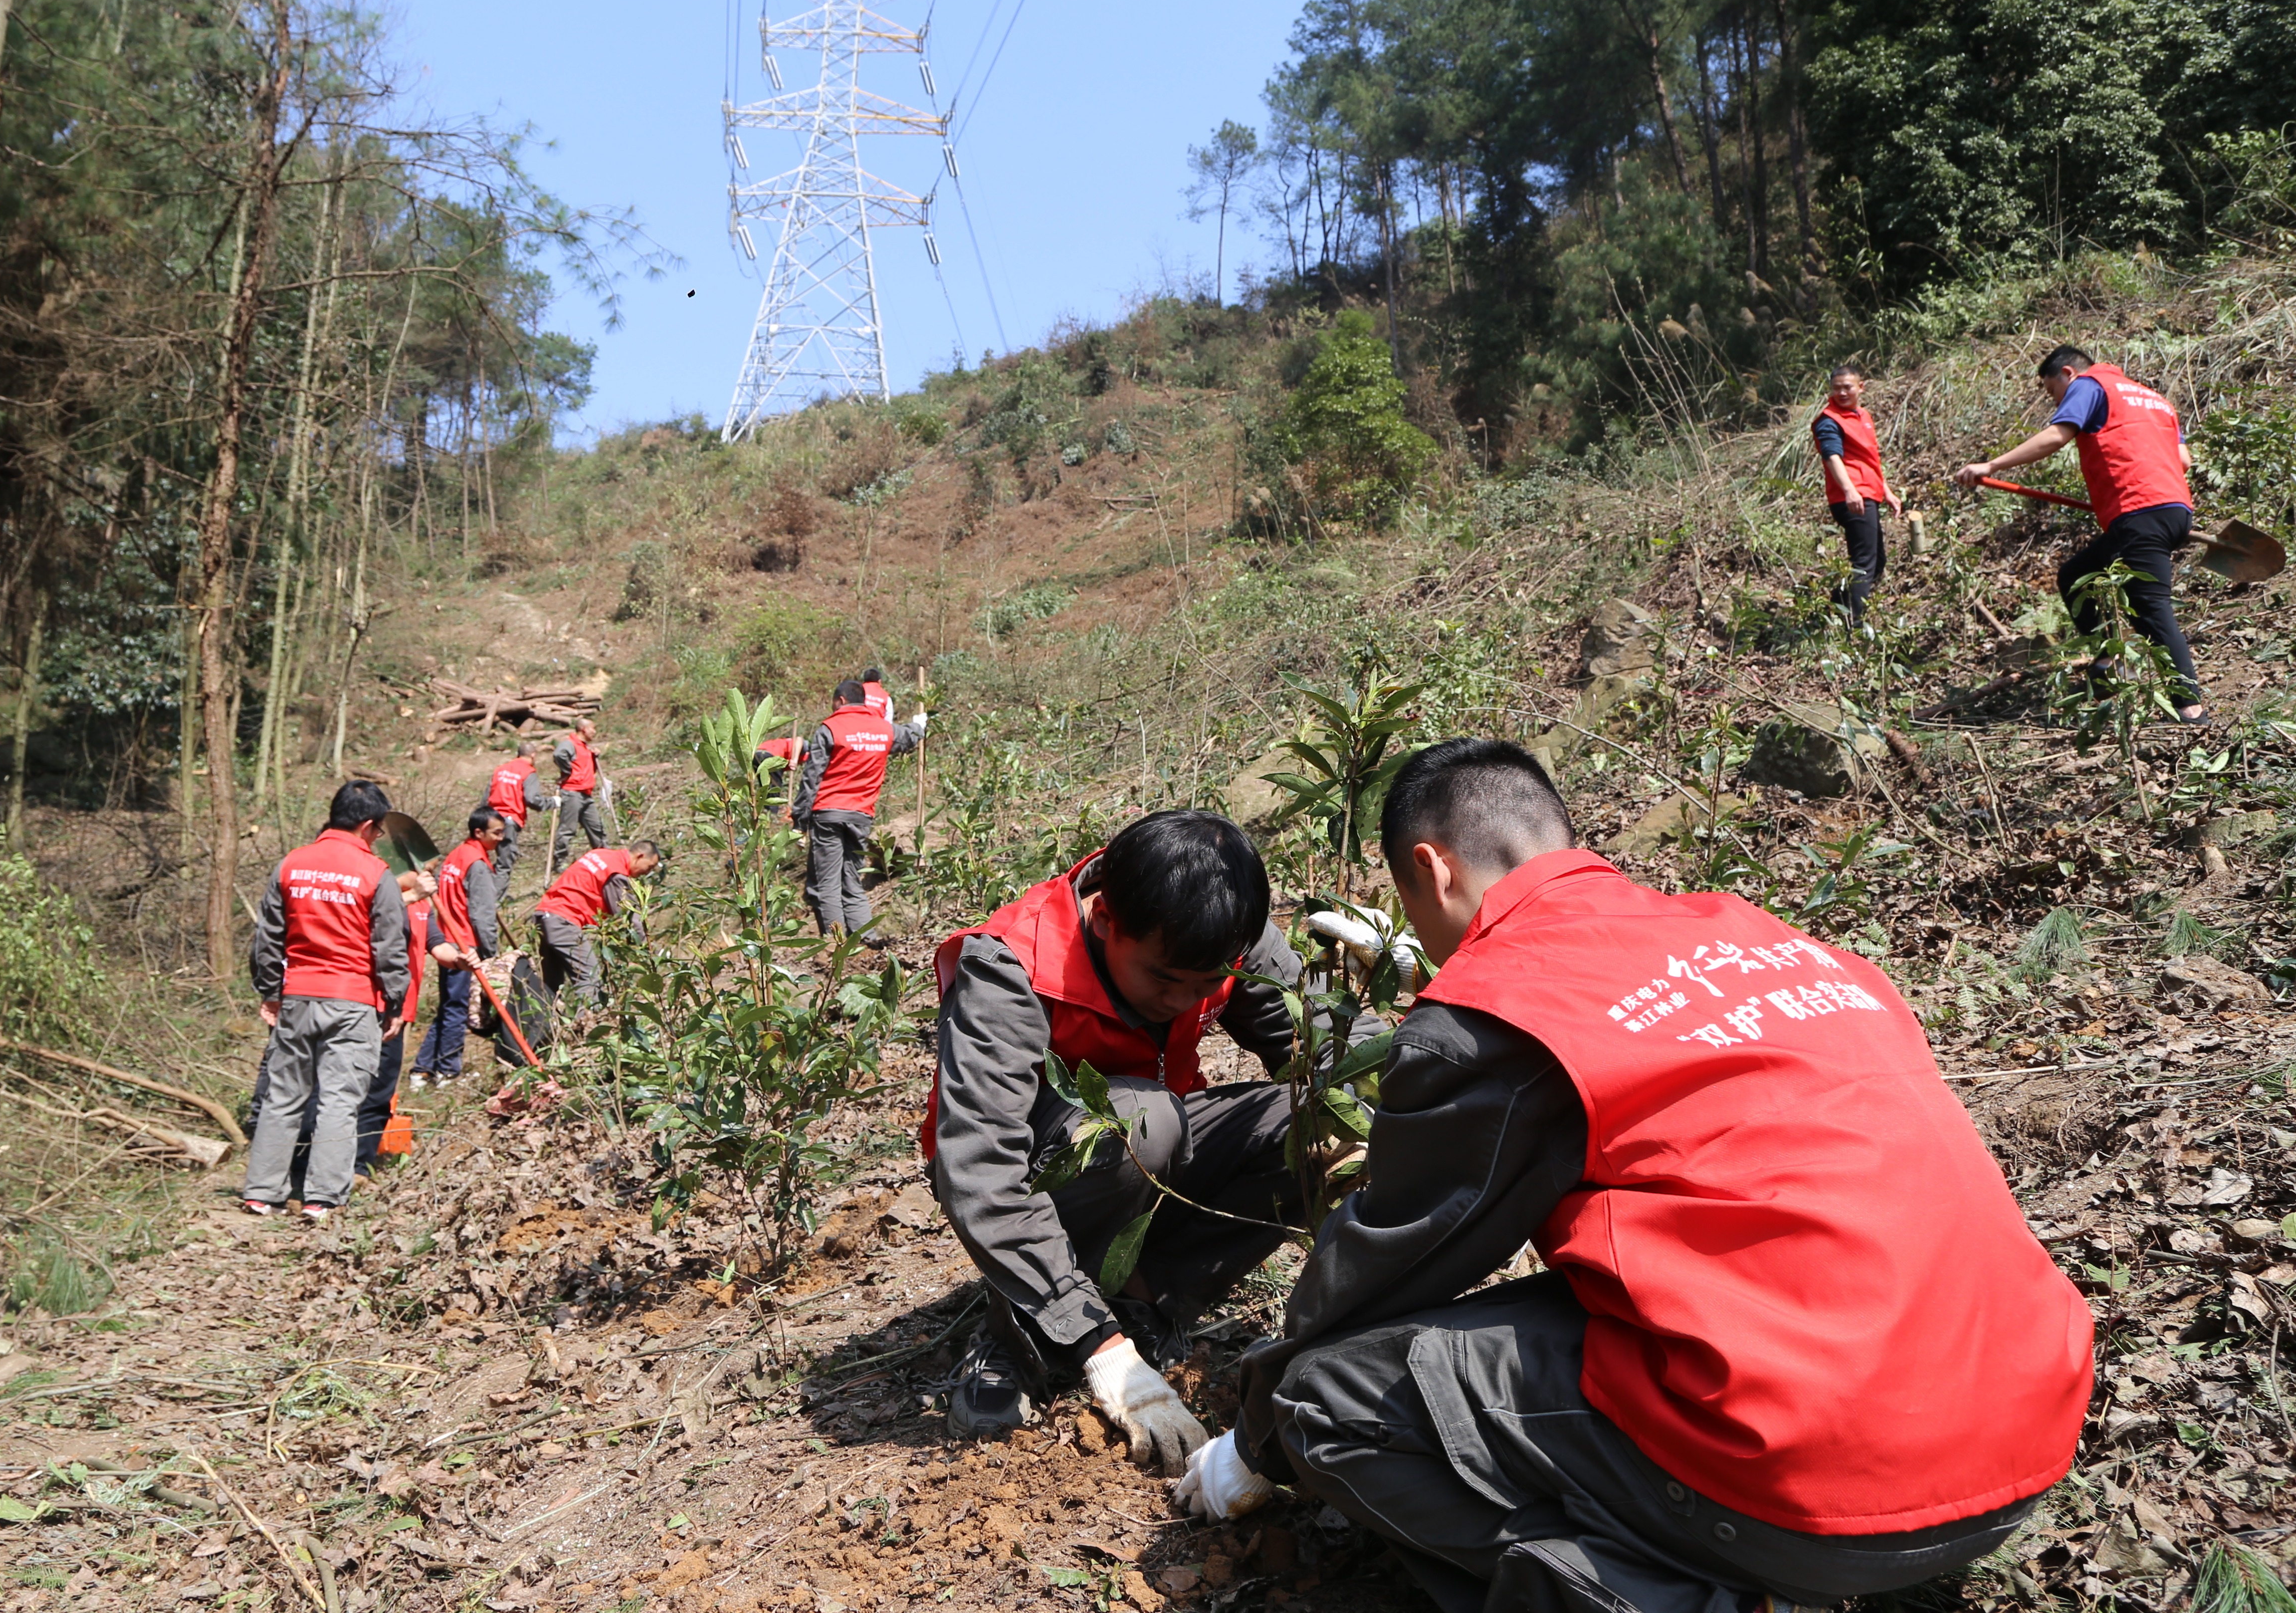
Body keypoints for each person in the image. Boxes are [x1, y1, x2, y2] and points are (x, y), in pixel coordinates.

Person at [1174, 740, 2092, 1613]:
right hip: (2024, 1435)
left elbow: (1393, 1256)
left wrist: (1256, 1439)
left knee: (1326, 1395)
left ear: (1433, 868)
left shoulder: (1496, 1009)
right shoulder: (1759, 934)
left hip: (1821, 1479)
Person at [931, 809, 1305, 1467]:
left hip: (1159, 1146)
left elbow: (1310, 1043)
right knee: (1141, 1121)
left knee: (1307, 1123)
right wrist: (1098, 1351)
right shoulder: (1015, 965)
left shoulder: (1222, 930)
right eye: (1165, 979)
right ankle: (1023, 1334)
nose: (1187, 998)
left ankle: (1142, 1303)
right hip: (1040, 1165)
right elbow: (983, 1170)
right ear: (1105, 919)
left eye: (1207, 983)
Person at [1959, 346, 2206, 721]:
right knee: (2076, 575)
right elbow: (2183, 461)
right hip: (2174, 510)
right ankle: (2109, 664)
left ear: (2068, 374)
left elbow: (2057, 436)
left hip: (2141, 512)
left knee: (2150, 608)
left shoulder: (2090, 385)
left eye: (2052, 391)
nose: (2055, 400)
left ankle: (2192, 711)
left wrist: (1991, 465)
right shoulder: (2154, 398)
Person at [243, 780, 410, 1222]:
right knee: (339, 1100)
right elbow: (390, 948)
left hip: (297, 997)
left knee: (282, 1096)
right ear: (369, 826)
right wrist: (394, 1005)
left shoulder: (291, 865)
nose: (377, 841)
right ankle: (322, 1198)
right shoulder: (377, 875)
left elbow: (267, 940)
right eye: (377, 833)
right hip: (353, 1002)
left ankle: (262, 1193)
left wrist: (270, 992)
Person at [790, 675, 928, 942]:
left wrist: (800, 820)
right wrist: (919, 725)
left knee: (826, 882)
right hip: (861, 815)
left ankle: (836, 942)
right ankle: (866, 937)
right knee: (852, 876)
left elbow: (812, 778)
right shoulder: (883, 729)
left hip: (828, 813)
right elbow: (909, 737)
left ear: (841, 700)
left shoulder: (830, 728)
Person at [352, 867, 437, 1173]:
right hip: (363, 1004)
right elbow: (363, 924)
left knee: (381, 1090)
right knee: (349, 1087)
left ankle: (361, 1164)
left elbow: (435, 941)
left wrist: (458, 958)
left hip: (398, 1010)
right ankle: (323, 1161)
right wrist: (411, 895)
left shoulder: (425, 907)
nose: (426, 874)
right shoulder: (369, 895)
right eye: (417, 870)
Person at [418, 807, 508, 1086]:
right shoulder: (477, 864)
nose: (501, 839)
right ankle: (447, 1071)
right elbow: (482, 914)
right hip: (464, 945)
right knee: (458, 1008)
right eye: (496, 833)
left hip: (446, 940)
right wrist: (490, 954)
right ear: (478, 833)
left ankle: (422, 1069)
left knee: (449, 1006)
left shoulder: (456, 855)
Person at [530, 838, 659, 1022]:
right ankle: (588, 1029)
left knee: (551, 985)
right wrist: (647, 948)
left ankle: (541, 1034)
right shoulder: (616, 873)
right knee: (590, 976)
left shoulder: (601, 855)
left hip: (544, 915)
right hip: (564, 921)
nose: (646, 873)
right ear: (640, 856)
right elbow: (628, 917)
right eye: (649, 867)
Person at [1812, 365, 1901, 624]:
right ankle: (1853, 625)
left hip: (1868, 493)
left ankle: (1833, 611)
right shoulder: (1829, 420)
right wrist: (1850, 490)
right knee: (1864, 562)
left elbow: (1869, 460)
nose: (1842, 392)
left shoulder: (1863, 416)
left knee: (1876, 562)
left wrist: (1888, 493)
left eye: (1847, 387)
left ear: (1861, 387)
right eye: (1836, 388)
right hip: (1852, 497)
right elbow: (1832, 456)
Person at [548, 720, 608, 871]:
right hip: (572, 792)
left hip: (587, 794)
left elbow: (588, 769)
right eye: (593, 729)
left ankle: (605, 857)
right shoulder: (570, 744)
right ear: (583, 729)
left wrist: (594, 757)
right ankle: (560, 861)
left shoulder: (585, 748)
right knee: (568, 828)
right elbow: (559, 754)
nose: (595, 732)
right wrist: (568, 772)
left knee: (597, 827)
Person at [485, 747, 549, 886]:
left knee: (480, 859)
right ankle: (494, 902)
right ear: (533, 755)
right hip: (508, 821)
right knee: (504, 864)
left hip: (490, 820)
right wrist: (552, 803)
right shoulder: (528, 772)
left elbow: (486, 798)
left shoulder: (500, 770)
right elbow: (533, 800)